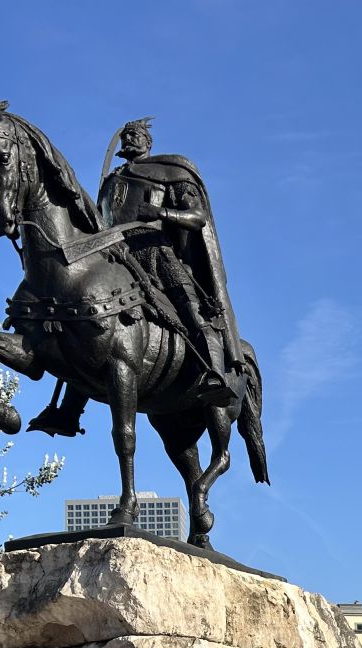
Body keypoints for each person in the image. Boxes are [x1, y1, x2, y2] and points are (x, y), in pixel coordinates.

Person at [28, 116, 246, 436]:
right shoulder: (112, 181)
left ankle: (214, 375)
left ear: (148, 142)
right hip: (115, 254)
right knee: (85, 316)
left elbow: (197, 218)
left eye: (137, 135)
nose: (131, 139)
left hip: (155, 252)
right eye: (127, 135)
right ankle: (67, 411)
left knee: (193, 312)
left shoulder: (169, 172)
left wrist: (160, 213)